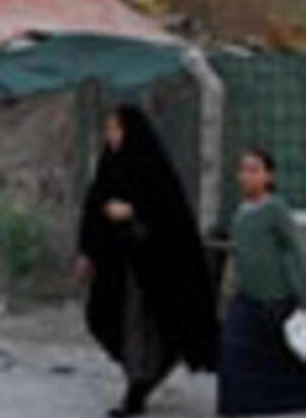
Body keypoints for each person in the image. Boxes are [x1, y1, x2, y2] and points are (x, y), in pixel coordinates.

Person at [74, 104, 218, 417]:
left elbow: (169, 213)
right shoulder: (109, 166)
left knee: (140, 326)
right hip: (117, 264)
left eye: (115, 129)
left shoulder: (152, 167)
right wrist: (87, 251)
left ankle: (137, 388)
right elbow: (93, 208)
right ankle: (145, 374)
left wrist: (132, 210)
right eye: (109, 129)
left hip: (153, 267)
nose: (110, 136)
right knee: (104, 318)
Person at [219, 149, 306, 417]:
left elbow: (296, 251)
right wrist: (228, 291)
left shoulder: (275, 209)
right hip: (246, 300)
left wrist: (303, 296)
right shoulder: (240, 213)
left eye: (254, 169)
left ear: (269, 176)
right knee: (232, 357)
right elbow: (238, 255)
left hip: (275, 303)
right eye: (243, 169)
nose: (247, 175)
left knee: (285, 362)